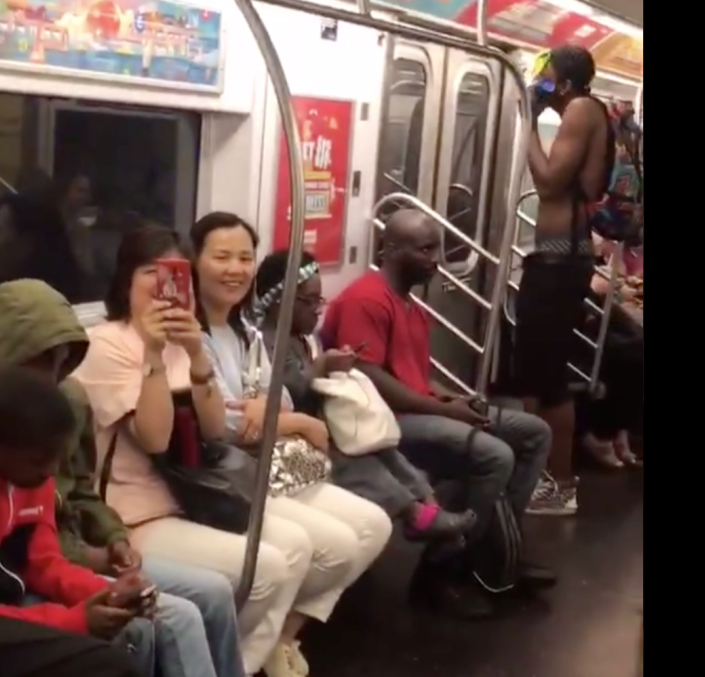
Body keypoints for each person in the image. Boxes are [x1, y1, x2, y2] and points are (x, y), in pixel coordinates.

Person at [71, 221, 386, 677]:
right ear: (126, 280)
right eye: (150, 272)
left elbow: (215, 429)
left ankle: (237, 661)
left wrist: (195, 355)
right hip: (135, 513)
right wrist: (154, 356)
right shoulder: (110, 344)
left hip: (193, 496)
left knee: (301, 550)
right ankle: (228, 662)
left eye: (173, 273)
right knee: (273, 565)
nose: (163, 285)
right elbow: (155, 438)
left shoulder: (187, 339)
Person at [0, 279, 246, 677]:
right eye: (39, 362)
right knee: (159, 624)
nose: (51, 376)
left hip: (56, 562)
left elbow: (62, 518)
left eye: (59, 363)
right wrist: (83, 603)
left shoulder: (53, 427)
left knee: (210, 593)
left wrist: (109, 563)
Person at [320, 209, 553, 619]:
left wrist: (456, 400)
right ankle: (440, 573)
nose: (436, 259)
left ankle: (495, 554)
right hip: (380, 424)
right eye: (426, 249)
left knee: (534, 433)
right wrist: (446, 412)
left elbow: (418, 377)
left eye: (438, 249)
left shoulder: (413, 307)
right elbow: (368, 376)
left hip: (413, 411)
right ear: (391, 249)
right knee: (493, 456)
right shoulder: (366, 299)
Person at [189, 213, 393, 674]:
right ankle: (241, 658)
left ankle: (281, 634)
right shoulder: (190, 336)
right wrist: (294, 420)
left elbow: (270, 395)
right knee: (329, 545)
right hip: (228, 471)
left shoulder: (245, 332)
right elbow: (226, 424)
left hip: (271, 462)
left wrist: (268, 409)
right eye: (221, 257)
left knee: (373, 525)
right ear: (194, 263)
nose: (235, 269)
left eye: (244, 258)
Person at [252, 249, 475, 540]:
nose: (318, 309)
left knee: (383, 448)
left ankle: (427, 502)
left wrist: (336, 365)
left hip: (329, 422)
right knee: (359, 460)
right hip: (301, 433)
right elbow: (290, 391)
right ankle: (413, 513)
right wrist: (323, 366)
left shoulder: (304, 338)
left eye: (319, 300)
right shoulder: (269, 342)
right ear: (280, 302)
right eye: (309, 301)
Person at [0, 430, 142, 677]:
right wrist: (76, 620)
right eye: (39, 463)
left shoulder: (33, 464)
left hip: (14, 594)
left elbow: (44, 561)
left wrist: (108, 594)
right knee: (111, 658)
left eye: (56, 461)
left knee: (148, 625)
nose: (50, 472)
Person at [518, 45, 616, 515]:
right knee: (535, 371)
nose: (541, 81)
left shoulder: (579, 108)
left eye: (546, 75)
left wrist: (528, 123)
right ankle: (541, 476)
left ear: (567, 82)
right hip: (557, 256)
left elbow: (550, 182)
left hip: (562, 258)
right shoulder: (586, 109)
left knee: (549, 376)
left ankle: (561, 484)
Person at [579, 240, 644, 469]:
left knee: (636, 347)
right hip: (585, 311)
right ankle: (605, 432)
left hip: (602, 305)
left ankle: (620, 430)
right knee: (626, 353)